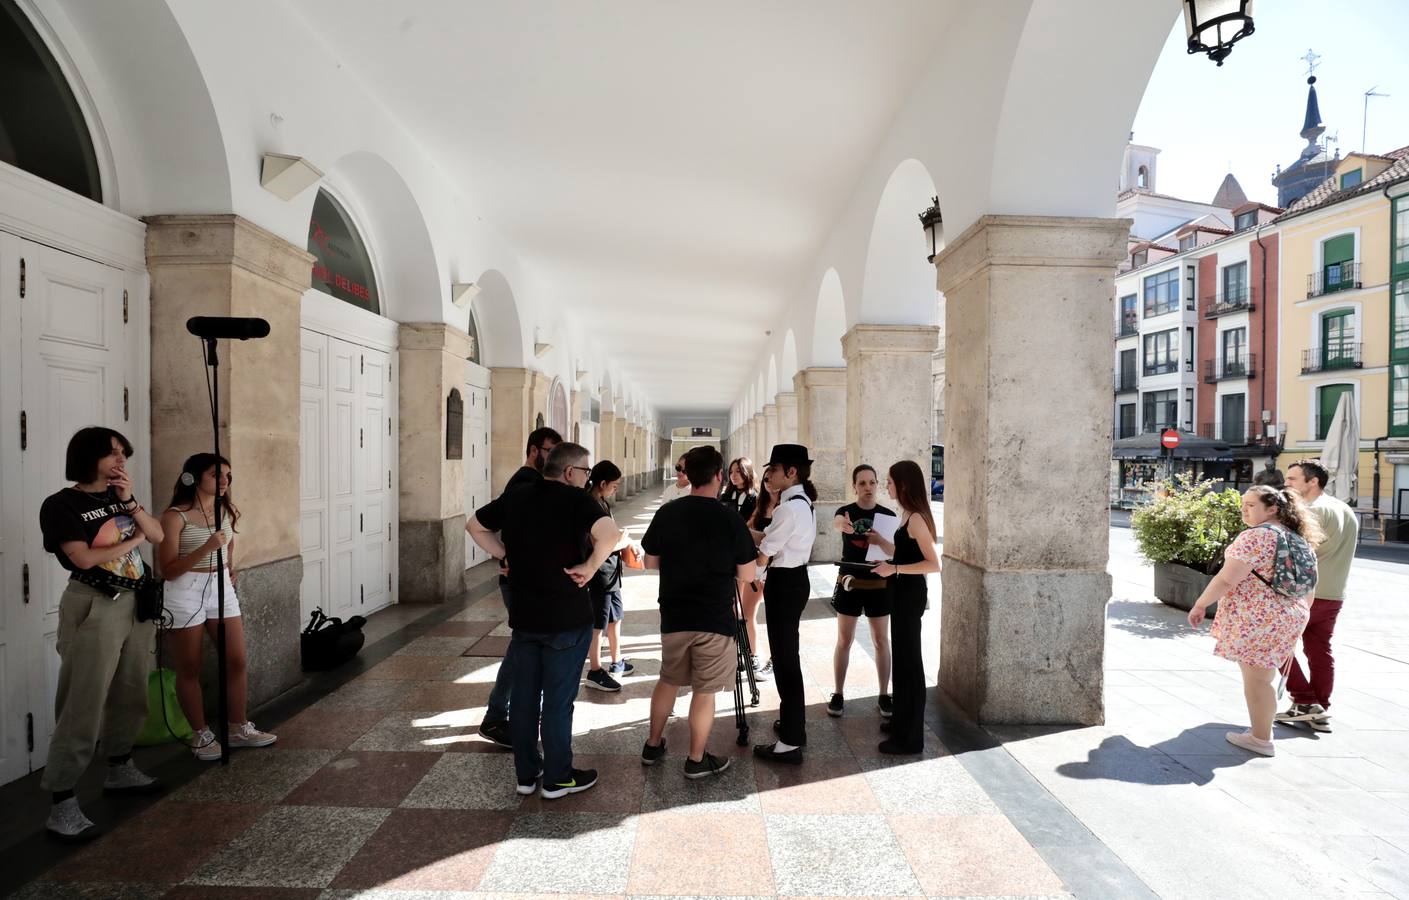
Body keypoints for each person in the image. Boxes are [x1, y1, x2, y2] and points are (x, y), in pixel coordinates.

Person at [468, 442, 620, 799]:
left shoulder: (519, 495)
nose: (587, 479)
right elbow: (610, 535)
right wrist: (589, 567)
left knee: (523, 699)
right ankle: (558, 777)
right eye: (585, 472)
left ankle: (526, 774)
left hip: (524, 615)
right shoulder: (576, 499)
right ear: (569, 472)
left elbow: (474, 526)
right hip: (566, 616)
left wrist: (505, 555)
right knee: (557, 701)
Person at [38, 427, 166, 840]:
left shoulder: (119, 497)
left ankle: (120, 767)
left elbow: (159, 535)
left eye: (123, 453)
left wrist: (131, 505)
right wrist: (134, 539)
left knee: (131, 690)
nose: (120, 460)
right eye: (111, 453)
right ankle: (62, 801)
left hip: (135, 603)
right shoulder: (61, 504)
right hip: (94, 603)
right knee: (83, 698)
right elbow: (85, 557)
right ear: (87, 457)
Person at [639, 446, 758, 778]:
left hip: (675, 612)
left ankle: (652, 743)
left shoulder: (668, 512)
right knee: (704, 691)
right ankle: (695, 759)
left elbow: (650, 561)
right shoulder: (729, 518)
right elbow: (748, 575)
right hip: (714, 617)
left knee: (668, 679)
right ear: (719, 476)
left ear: (688, 475)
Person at [1187, 486, 1324, 756]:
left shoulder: (1256, 536)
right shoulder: (1296, 537)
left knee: (1257, 680)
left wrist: (1201, 604)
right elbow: (1309, 584)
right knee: (1264, 676)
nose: (1244, 509)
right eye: (1243, 504)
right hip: (1291, 614)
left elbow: (1227, 578)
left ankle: (1261, 738)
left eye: (1251, 504)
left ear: (1272, 508)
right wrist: (1296, 619)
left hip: (1260, 617)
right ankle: (1261, 732)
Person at [159, 454, 276, 761]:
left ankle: (238, 727)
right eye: (216, 475)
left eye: (228, 476)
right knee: (190, 666)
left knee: (236, 659)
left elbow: (229, 542)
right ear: (192, 478)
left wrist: (228, 565)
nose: (224, 481)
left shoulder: (225, 509)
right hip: (185, 590)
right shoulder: (175, 516)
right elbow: (168, 570)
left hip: (220, 587)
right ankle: (201, 735)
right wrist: (207, 548)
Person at [475, 426, 561, 748]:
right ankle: (496, 717)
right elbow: (476, 524)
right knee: (523, 648)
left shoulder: (533, 483)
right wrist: (505, 554)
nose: (554, 458)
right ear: (535, 449)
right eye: (550, 451)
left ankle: (504, 715)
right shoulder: (525, 484)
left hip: (527, 580)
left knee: (524, 645)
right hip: (520, 582)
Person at [1278, 460, 1359, 731]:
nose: (1286, 483)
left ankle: (1304, 701)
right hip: (1335, 593)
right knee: (1320, 651)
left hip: (1306, 593)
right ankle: (1319, 709)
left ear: (1312, 482)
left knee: (1274, 645)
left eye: (1292, 479)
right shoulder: (1344, 508)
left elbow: (1293, 556)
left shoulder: (1310, 512)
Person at [752, 444, 817, 765]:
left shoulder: (788, 508)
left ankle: (791, 740)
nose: (769, 475)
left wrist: (752, 576)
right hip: (795, 580)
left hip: (785, 583)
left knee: (785, 660)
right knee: (787, 655)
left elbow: (767, 551)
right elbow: (773, 542)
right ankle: (792, 722)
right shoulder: (801, 502)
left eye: (774, 470)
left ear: (791, 472)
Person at [871, 460, 941, 754]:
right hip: (900, 592)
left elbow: (933, 564)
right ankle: (901, 721)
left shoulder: (916, 519)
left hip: (909, 595)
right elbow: (905, 551)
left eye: (889, 481)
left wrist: (895, 569)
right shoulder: (907, 514)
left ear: (903, 484)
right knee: (902, 659)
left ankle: (910, 737)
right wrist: (885, 549)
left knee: (910, 663)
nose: (885, 486)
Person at [829, 464, 895, 719]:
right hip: (850, 582)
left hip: (879, 584)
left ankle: (883, 694)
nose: (868, 487)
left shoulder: (887, 516)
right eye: (862, 483)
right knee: (844, 640)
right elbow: (837, 523)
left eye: (872, 482)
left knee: (880, 641)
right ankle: (838, 693)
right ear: (854, 486)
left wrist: (880, 541)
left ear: (877, 485)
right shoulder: (845, 513)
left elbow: (893, 552)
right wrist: (841, 526)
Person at [583, 460, 636, 692]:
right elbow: (598, 542)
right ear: (602, 483)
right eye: (614, 485)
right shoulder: (590, 505)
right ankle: (594, 670)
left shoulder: (602, 502)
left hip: (611, 571)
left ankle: (617, 660)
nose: (616, 489)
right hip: (600, 573)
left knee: (616, 617)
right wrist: (622, 541)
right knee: (598, 624)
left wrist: (622, 540)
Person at [721, 457, 765, 679]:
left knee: (746, 610)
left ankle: (751, 654)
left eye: (739, 471)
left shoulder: (755, 498)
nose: (734, 475)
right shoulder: (725, 496)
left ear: (747, 472)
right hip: (727, 557)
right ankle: (733, 651)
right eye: (731, 471)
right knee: (730, 606)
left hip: (747, 558)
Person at [745, 478, 778, 680]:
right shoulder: (761, 504)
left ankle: (775, 660)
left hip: (776, 567)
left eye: (772, 476)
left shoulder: (787, 507)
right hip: (758, 567)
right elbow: (748, 529)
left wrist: (747, 533)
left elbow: (770, 540)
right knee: (748, 612)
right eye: (766, 478)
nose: (769, 482)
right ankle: (753, 655)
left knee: (777, 619)